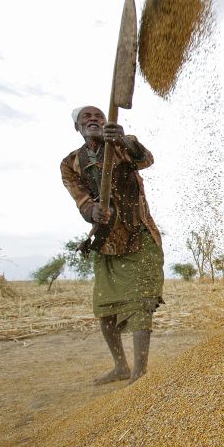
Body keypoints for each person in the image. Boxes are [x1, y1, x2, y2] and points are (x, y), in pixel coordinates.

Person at [61, 105, 165, 384]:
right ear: (78, 127)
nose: (94, 119)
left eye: (99, 116)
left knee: (141, 301)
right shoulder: (70, 163)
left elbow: (146, 159)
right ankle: (120, 366)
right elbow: (80, 199)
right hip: (107, 242)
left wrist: (121, 139)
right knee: (106, 308)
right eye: (87, 117)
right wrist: (92, 211)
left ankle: (139, 372)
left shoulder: (122, 145)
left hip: (138, 234)